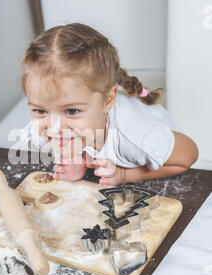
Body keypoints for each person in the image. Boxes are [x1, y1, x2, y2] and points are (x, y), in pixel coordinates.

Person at [16, 23, 198, 187]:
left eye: (71, 111)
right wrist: (77, 158)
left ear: (108, 100)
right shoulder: (47, 129)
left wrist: (125, 174)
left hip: (153, 158)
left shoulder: (138, 136)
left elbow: (188, 156)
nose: (54, 128)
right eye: (40, 111)